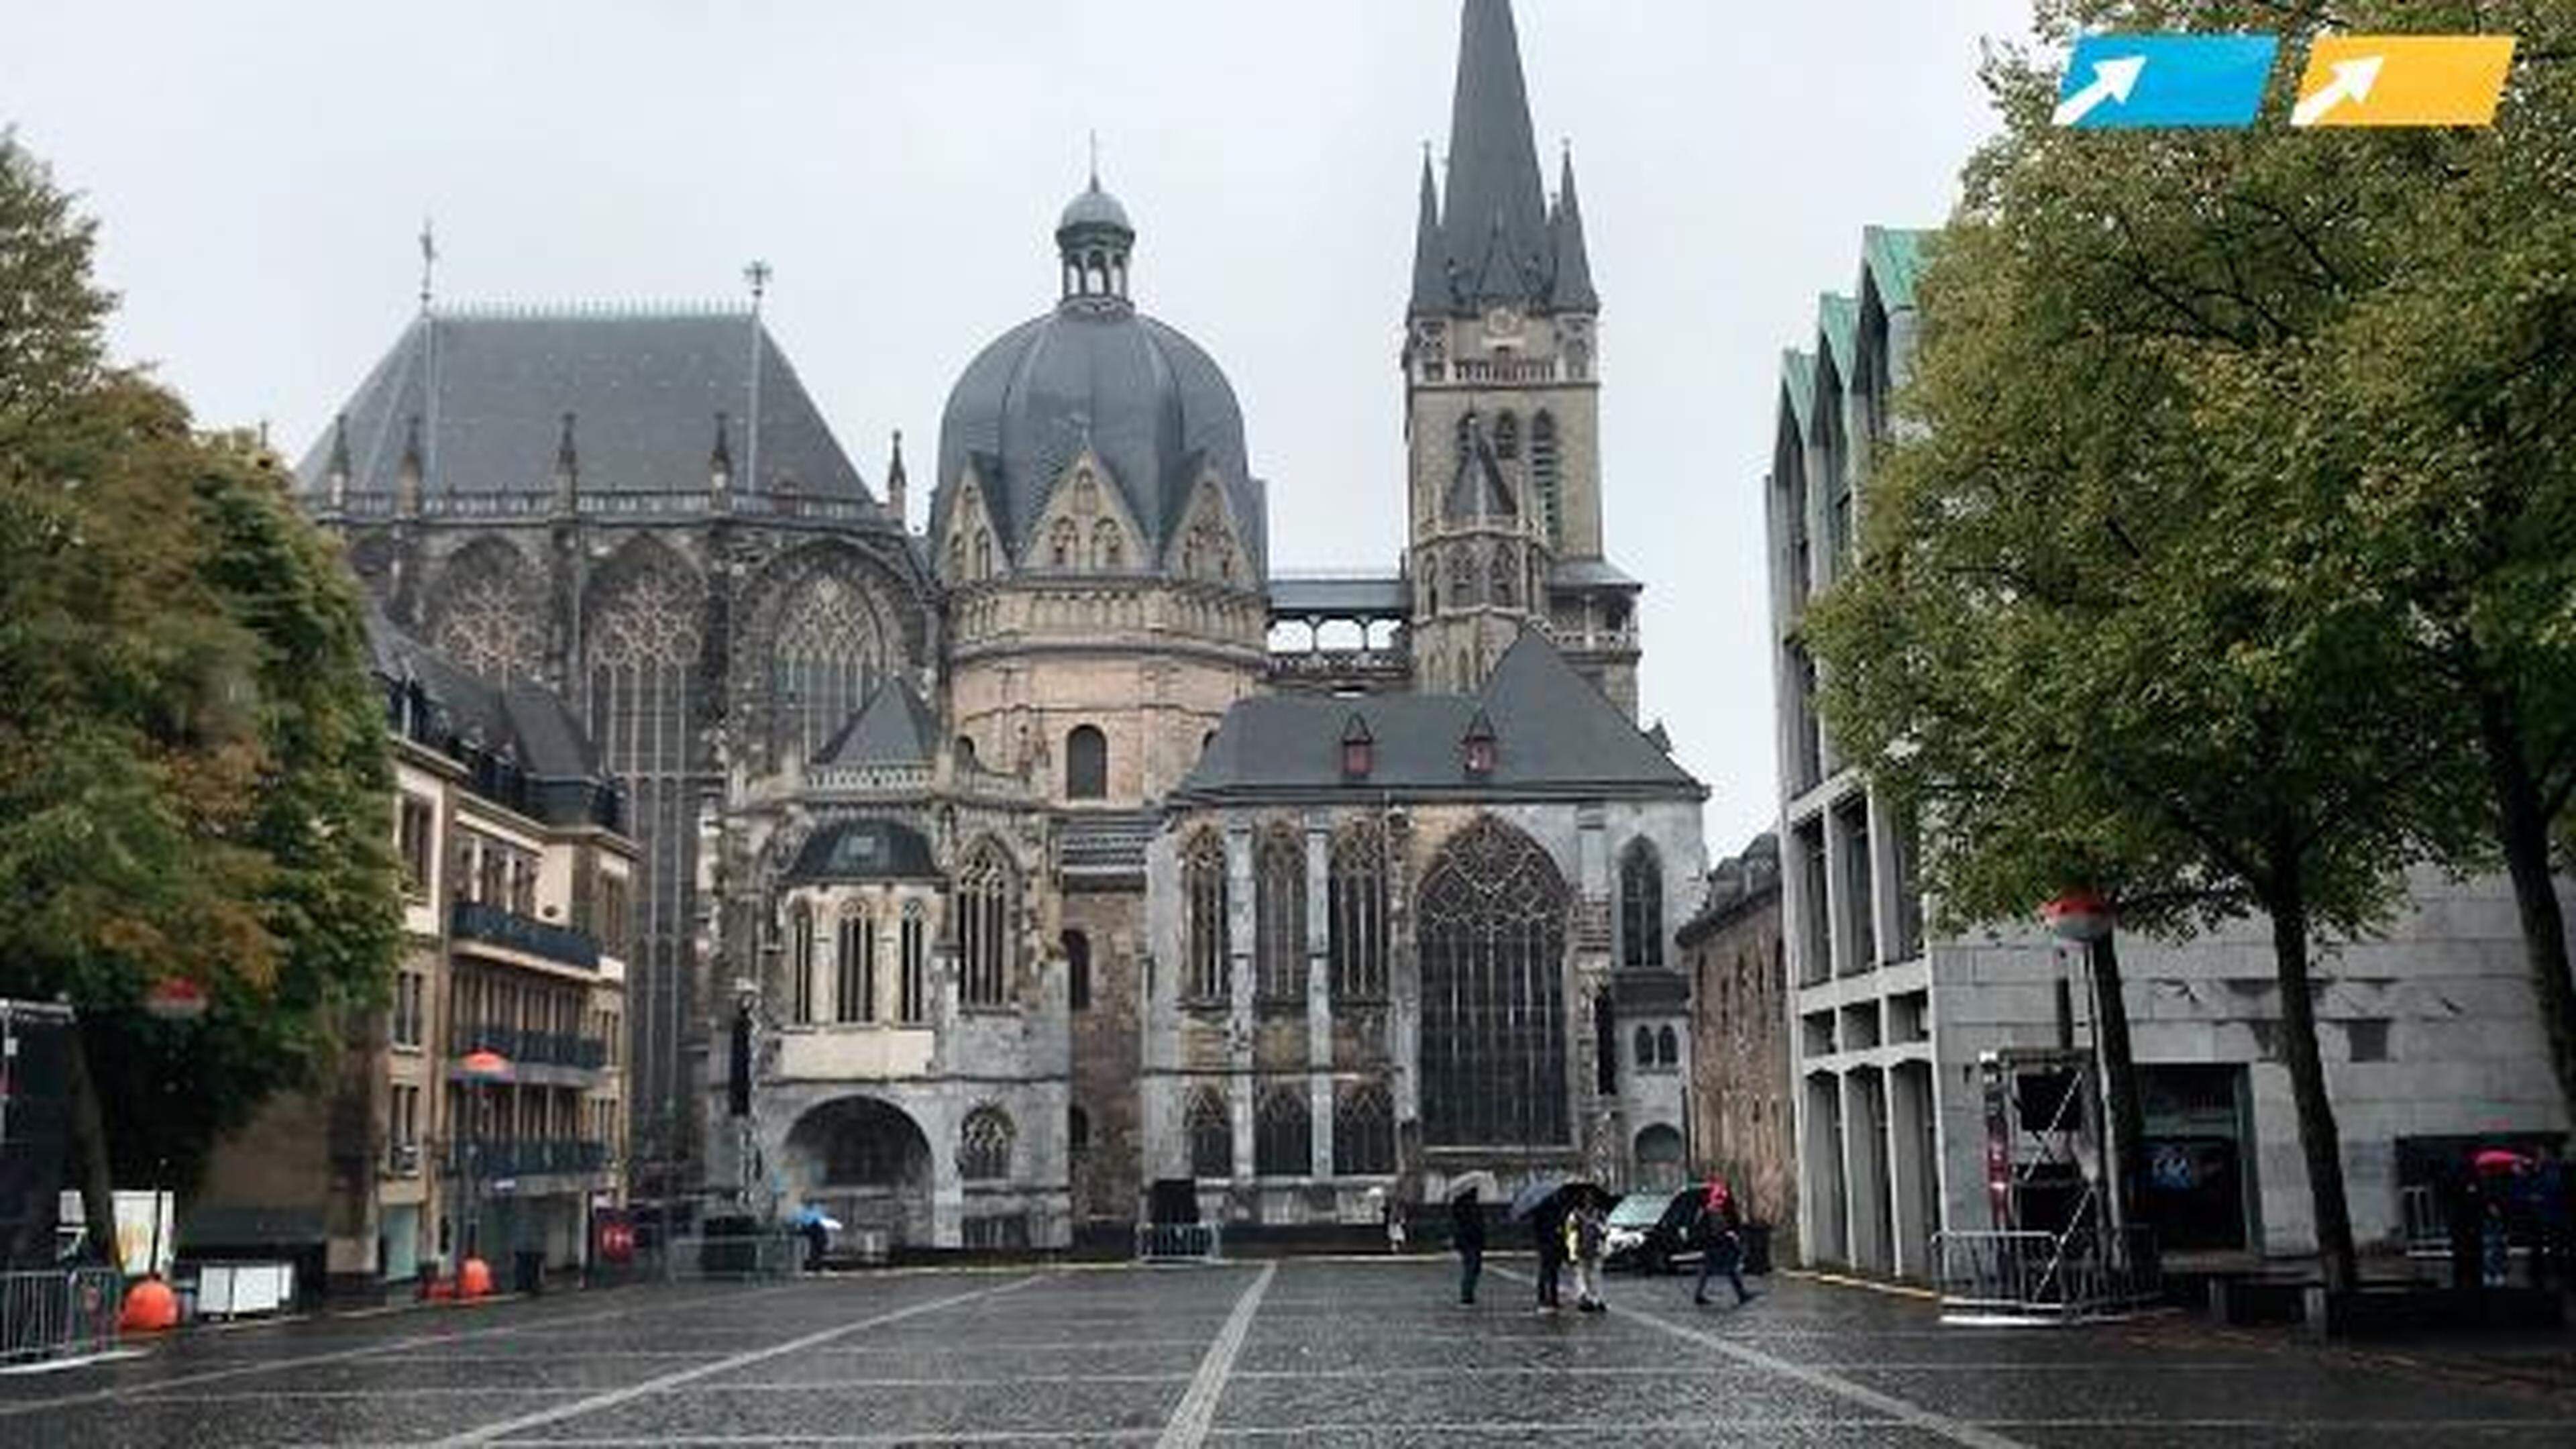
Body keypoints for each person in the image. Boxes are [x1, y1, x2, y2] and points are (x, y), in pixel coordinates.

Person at [1695, 1180, 1754, 1307]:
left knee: (1710, 1269)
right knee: (1727, 1269)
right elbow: (1718, 1228)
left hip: (1714, 1243)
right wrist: (1727, 1234)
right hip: (1717, 1243)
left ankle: (1699, 1295)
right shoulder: (1713, 1211)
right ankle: (1741, 1294)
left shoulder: (1709, 1211)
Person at [1570, 1199, 1607, 1313]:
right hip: (1585, 1249)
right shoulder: (1577, 1215)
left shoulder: (1576, 1215)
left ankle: (1590, 1298)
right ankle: (1588, 1297)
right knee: (1586, 1274)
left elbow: (1605, 1231)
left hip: (1591, 1249)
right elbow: (1572, 1233)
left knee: (1590, 1274)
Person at [1451, 1189, 1486, 1305]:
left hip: (1465, 1242)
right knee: (1472, 1267)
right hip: (1472, 1241)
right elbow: (1477, 1226)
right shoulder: (1471, 1209)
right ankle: (1467, 1294)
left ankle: (1467, 1293)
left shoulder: (1459, 1208)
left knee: (1470, 1267)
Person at [1532, 1197, 1565, 1311]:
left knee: (1550, 1272)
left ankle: (1549, 1297)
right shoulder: (1551, 1210)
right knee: (1549, 1272)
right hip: (1550, 1243)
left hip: (1550, 1244)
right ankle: (1547, 1297)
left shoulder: (1555, 1208)